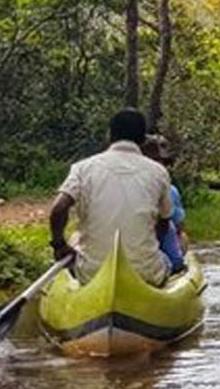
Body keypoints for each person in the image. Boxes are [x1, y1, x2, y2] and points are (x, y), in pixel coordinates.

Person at [50, 108, 174, 286]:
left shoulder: (82, 168)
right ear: (142, 140)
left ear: (110, 136)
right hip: (145, 272)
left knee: (76, 240)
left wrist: (59, 245)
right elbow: (164, 223)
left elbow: (59, 208)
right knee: (167, 263)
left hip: (91, 273)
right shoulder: (159, 172)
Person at [143, 134, 188, 274]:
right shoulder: (169, 189)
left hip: (153, 248)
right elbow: (176, 226)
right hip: (151, 251)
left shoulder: (171, 190)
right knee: (173, 230)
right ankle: (176, 263)